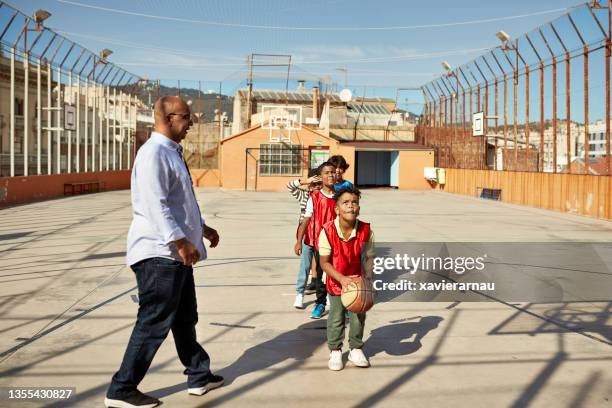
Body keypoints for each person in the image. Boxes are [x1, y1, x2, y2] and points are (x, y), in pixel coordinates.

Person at [105, 96, 223, 408]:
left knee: (185, 318)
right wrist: (181, 241)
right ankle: (121, 389)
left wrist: (202, 228)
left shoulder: (170, 153)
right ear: (168, 119)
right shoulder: (153, 154)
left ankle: (198, 374)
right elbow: (153, 204)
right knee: (154, 320)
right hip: (160, 255)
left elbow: (177, 204)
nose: (191, 124)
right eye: (186, 118)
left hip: (175, 254)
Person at [318, 186, 375, 371]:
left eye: (355, 202)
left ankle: (356, 348)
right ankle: (335, 350)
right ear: (337, 208)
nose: (351, 206)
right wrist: (342, 279)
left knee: (358, 315)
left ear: (359, 207)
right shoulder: (327, 231)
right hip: (337, 280)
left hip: (357, 280)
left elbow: (369, 258)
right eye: (346, 203)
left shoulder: (366, 230)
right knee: (336, 317)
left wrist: (369, 280)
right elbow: (324, 263)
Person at [294, 162, 337, 319]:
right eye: (326, 173)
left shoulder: (341, 195)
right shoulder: (315, 197)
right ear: (321, 176)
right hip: (320, 242)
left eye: (332, 172)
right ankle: (320, 303)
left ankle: (339, 303)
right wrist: (299, 240)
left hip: (338, 242)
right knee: (320, 274)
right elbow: (306, 220)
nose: (330, 175)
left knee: (337, 272)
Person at [287, 169, 321, 309]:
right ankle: (299, 294)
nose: (316, 187)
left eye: (319, 184)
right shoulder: (304, 195)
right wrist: (306, 181)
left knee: (322, 265)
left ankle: (323, 293)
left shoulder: (325, 196)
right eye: (314, 184)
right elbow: (290, 186)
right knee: (305, 265)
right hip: (306, 233)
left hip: (321, 234)